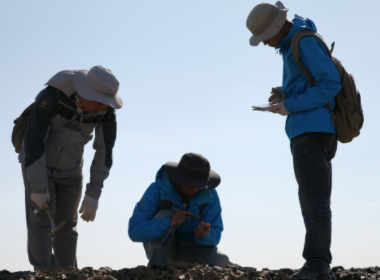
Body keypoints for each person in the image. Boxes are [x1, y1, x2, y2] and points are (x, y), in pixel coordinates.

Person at [246, 2, 342, 280]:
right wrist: (283, 93)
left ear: (277, 27)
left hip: (310, 130)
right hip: (315, 128)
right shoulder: (296, 42)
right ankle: (318, 264)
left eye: (265, 37)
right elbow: (312, 82)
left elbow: (330, 84)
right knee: (316, 199)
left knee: (313, 201)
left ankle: (317, 266)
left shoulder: (303, 42)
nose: (264, 44)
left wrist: (291, 105)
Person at [18, 65, 123, 270]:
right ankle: (44, 272)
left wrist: (93, 193)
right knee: (41, 221)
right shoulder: (51, 98)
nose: (103, 106)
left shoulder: (105, 112)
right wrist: (39, 187)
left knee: (67, 225)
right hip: (38, 165)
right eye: (99, 101)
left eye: (107, 102)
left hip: (72, 170)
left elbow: (104, 153)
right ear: (84, 93)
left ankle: (68, 273)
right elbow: (34, 143)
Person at [128, 153, 230, 267]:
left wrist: (206, 234)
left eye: (199, 185)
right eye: (190, 185)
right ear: (178, 179)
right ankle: (158, 271)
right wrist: (168, 222)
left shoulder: (209, 194)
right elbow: (134, 231)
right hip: (163, 248)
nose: (195, 189)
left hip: (192, 248)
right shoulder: (156, 190)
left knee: (222, 260)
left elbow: (216, 233)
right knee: (163, 215)